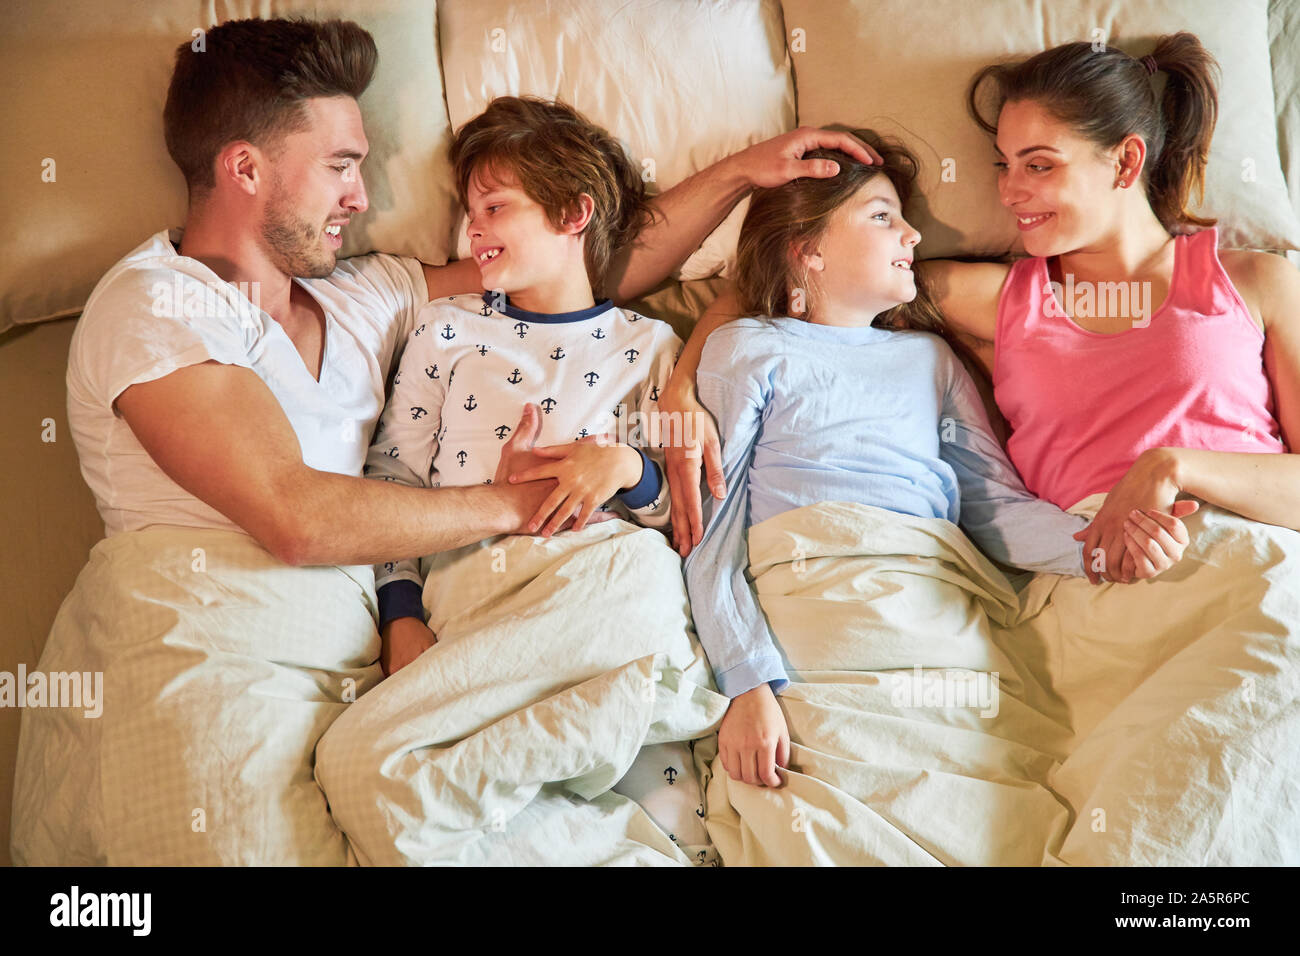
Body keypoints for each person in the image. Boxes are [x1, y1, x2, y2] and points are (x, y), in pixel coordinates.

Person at [10, 16, 881, 865]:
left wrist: (743, 174)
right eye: (341, 167)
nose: (363, 194)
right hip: (210, 656)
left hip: (372, 691)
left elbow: (586, 266)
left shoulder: (368, 294)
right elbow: (293, 516)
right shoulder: (157, 303)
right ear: (244, 167)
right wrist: (514, 507)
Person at [663, 32, 1300, 865]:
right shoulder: (990, 297)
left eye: (1039, 164)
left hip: (1245, 558)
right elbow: (786, 279)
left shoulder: (1255, 280)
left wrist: (1173, 466)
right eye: (1002, 166)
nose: (1010, 193)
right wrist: (683, 387)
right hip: (1089, 581)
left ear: (1124, 160)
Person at [683, 132, 1194, 789]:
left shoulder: (930, 359)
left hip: (932, 601)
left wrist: (1099, 546)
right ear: (805, 248)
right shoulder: (747, 349)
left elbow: (993, 509)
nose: (913, 237)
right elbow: (709, 536)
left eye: (906, 219)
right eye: (881, 217)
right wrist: (746, 683)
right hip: (818, 605)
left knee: (1008, 782)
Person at [367, 96, 679, 674]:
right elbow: (392, 476)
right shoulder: (447, 327)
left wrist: (628, 470)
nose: (472, 233)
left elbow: (687, 517)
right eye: (469, 213)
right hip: (475, 590)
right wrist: (399, 612)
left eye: (494, 208)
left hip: (605, 584)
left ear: (572, 213)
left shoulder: (648, 348)